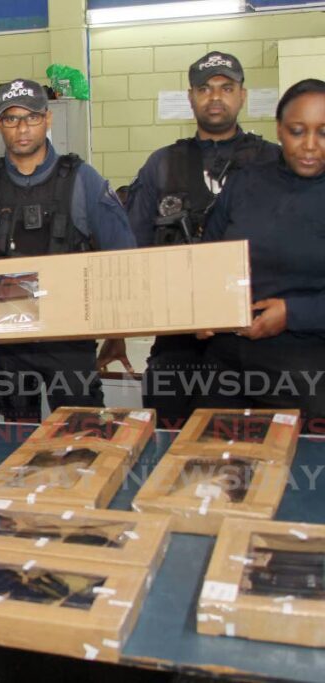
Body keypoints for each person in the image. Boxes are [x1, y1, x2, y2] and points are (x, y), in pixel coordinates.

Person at [121, 51, 280, 429]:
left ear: (242, 95)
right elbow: (132, 253)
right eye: (204, 88)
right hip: (178, 342)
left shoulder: (273, 162)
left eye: (226, 87)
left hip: (258, 340)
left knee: (249, 459)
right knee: (167, 451)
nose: (215, 97)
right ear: (190, 97)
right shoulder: (162, 164)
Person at [0, 79, 136, 422]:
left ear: (48, 119)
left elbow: (121, 259)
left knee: (80, 440)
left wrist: (117, 333)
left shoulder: (83, 181)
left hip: (68, 340)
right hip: (4, 342)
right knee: (11, 446)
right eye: (11, 119)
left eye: (32, 117)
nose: (22, 128)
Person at [195, 78, 325, 430]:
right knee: (214, 468)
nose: (310, 146)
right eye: (298, 131)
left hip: (307, 367)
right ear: (279, 130)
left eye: (323, 133)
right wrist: (202, 308)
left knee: (301, 473)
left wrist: (292, 313)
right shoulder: (246, 183)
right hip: (227, 361)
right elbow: (211, 259)